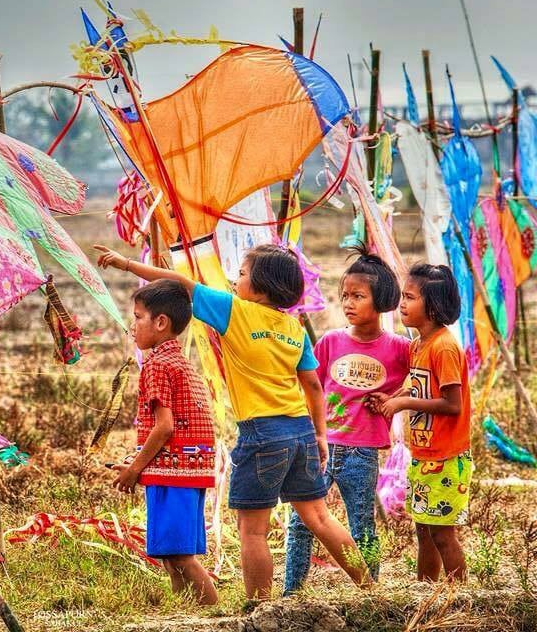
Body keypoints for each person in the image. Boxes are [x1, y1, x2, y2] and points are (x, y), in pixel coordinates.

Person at [96, 243, 371, 600]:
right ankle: (369, 585)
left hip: (262, 433)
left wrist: (127, 264)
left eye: (241, 274)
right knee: (320, 518)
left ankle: (260, 607)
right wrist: (320, 434)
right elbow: (314, 385)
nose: (236, 280)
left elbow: (180, 283)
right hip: (301, 429)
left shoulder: (235, 311)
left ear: (260, 286)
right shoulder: (294, 327)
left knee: (252, 531)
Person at [284, 249, 410, 593]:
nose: (348, 303)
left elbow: (422, 377)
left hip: (363, 452)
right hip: (321, 447)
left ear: (381, 301)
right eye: (345, 296)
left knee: (362, 524)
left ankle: (369, 589)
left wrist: (395, 401)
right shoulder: (329, 342)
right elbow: (311, 387)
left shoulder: (400, 348)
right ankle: (291, 592)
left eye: (358, 296)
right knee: (300, 522)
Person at [109, 278, 218, 604]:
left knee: (181, 558)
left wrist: (133, 469)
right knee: (172, 556)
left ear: (161, 322)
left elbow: (165, 427)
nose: (133, 325)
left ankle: (215, 617)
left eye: (138, 317)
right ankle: (187, 615)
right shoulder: (180, 363)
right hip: (188, 471)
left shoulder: (156, 365)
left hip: (175, 474)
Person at [369, 263, 471, 582]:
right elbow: (416, 384)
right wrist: (391, 397)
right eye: (403, 296)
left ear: (434, 304)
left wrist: (402, 403)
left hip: (446, 458)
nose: (402, 303)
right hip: (425, 455)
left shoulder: (444, 347)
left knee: (442, 534)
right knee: (424, 531)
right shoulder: (418, 344)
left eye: (410, 297)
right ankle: (425, 590)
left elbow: (452, 405)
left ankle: (459, 594)